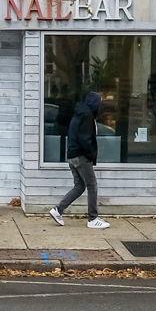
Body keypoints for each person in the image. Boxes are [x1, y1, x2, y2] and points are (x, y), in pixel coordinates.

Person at [51, 91, 108, 229]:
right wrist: (90, 155)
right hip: (81, 156)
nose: (100, 106)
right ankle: (93, 219)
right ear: (95, 104)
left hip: (72, 155)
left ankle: (58, 210)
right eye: (99, 103)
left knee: (80, 186)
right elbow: (85, 140)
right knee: (92, 185)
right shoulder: (87, 116)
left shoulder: (79, 113)